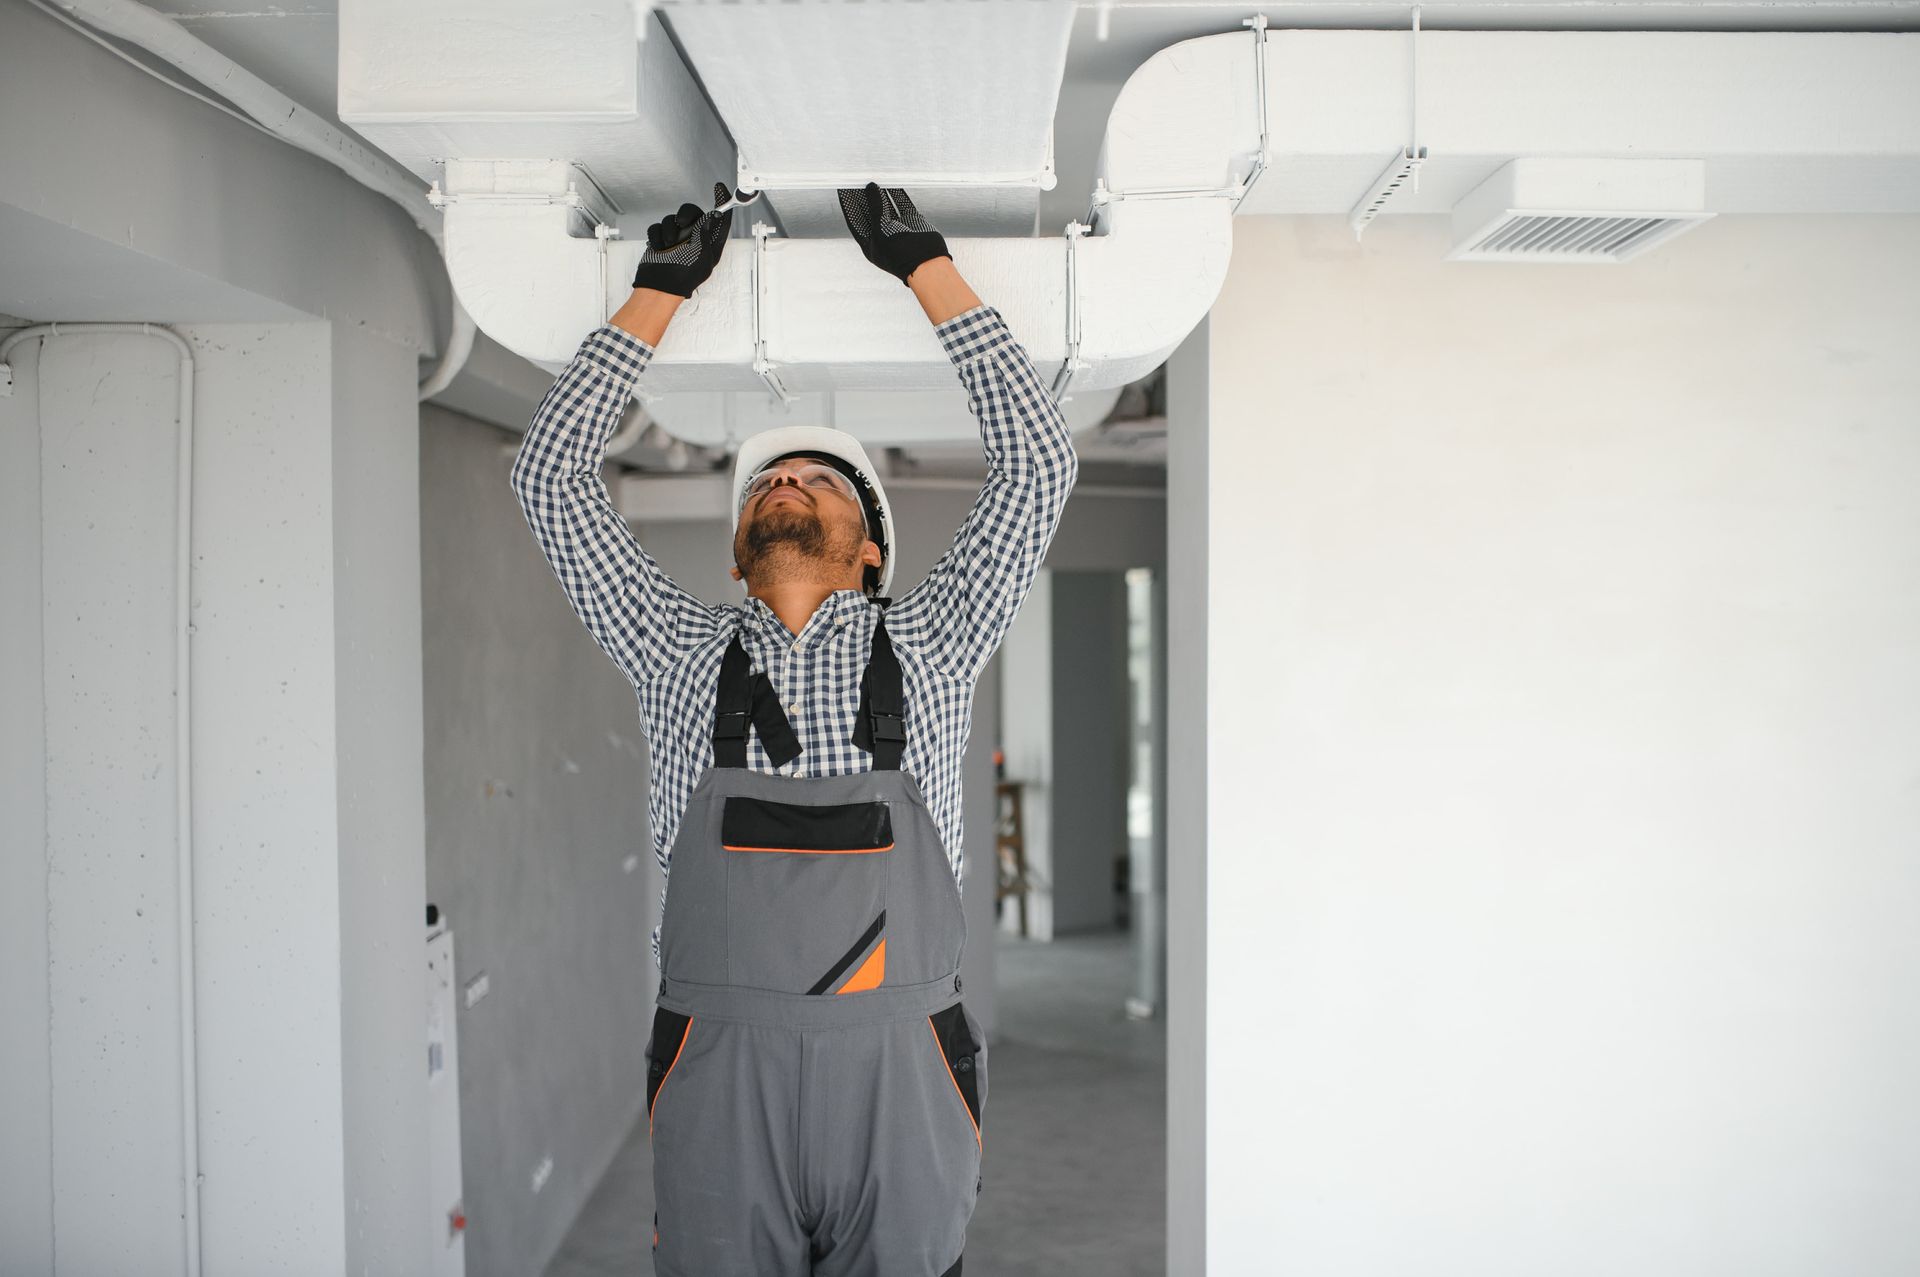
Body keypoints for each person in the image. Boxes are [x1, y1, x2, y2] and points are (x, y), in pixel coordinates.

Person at [510, 180, 1077, 1277]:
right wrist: (656, 295)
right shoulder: (675, 646)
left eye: (824, 481)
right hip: (725, 1081)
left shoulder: (937, 638)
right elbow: (549, 476)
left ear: (871, 550)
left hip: (900, 1076)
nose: (791, 480)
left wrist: (928, 268)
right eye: (772, 479)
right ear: (734, 553)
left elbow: (1039, 464)